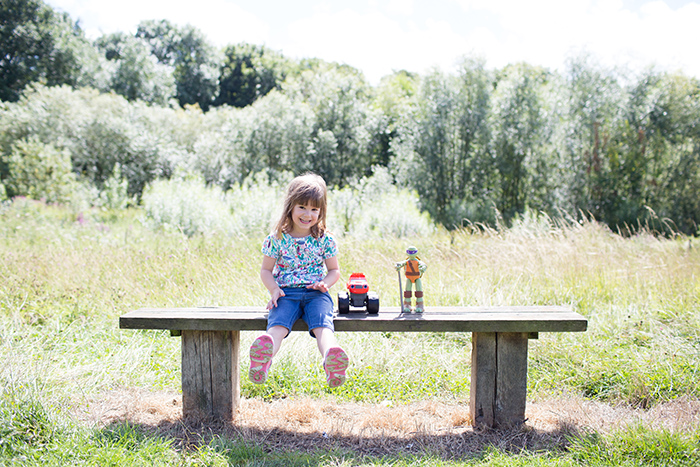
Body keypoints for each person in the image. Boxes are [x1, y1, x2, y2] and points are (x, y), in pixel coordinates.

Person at [249, 173, 349, 388]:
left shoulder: (325, 239)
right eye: (302, 207)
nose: (308, 214)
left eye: (314, 209)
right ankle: (263, 359)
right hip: (285, 293)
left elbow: (334, 270)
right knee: (278, 326)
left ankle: (331, 358)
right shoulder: (277, 238)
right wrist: (274, 290)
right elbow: (266, 270)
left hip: (316, 294)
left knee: (324, 327)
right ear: (290, 207)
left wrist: (325, 284)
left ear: (321, 211)